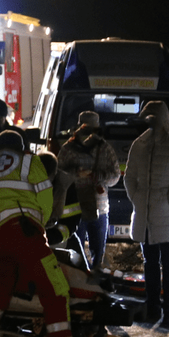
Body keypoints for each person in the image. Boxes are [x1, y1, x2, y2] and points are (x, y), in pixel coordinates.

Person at [0, 131, 78, 337]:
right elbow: (45, 197)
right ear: (21, 147)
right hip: (21, 232)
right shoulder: (30, 162)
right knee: (56, 291)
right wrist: (40, 225)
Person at [124, 100, 169, 328]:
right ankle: (153, 307)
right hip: (145, 216)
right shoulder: (140, 144)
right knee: (150, 264)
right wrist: (137, 197)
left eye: (154, 119)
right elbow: (129, 177)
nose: (151, 123)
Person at [56, 111, 121, 270]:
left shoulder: (103, 149)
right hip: (81, 208)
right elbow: (58, 176)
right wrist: (77, 173)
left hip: (94, 208)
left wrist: (95, 176)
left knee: (94, 253)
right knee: (78, 251)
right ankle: (85, 279)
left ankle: (91, 279)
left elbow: (115, 176)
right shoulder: (69, 148)